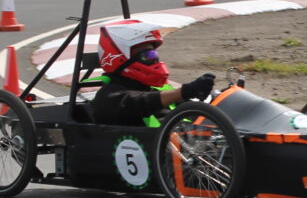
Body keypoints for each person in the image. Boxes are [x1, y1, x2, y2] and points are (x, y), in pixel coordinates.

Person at [87, 19, 215, 126]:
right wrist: (183, 92)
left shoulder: (152, 90)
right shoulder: (108, 96)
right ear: (121, 59)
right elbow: (139, 102)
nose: (153, 60)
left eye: (154, 54)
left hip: (188, 147)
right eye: (147, 55)